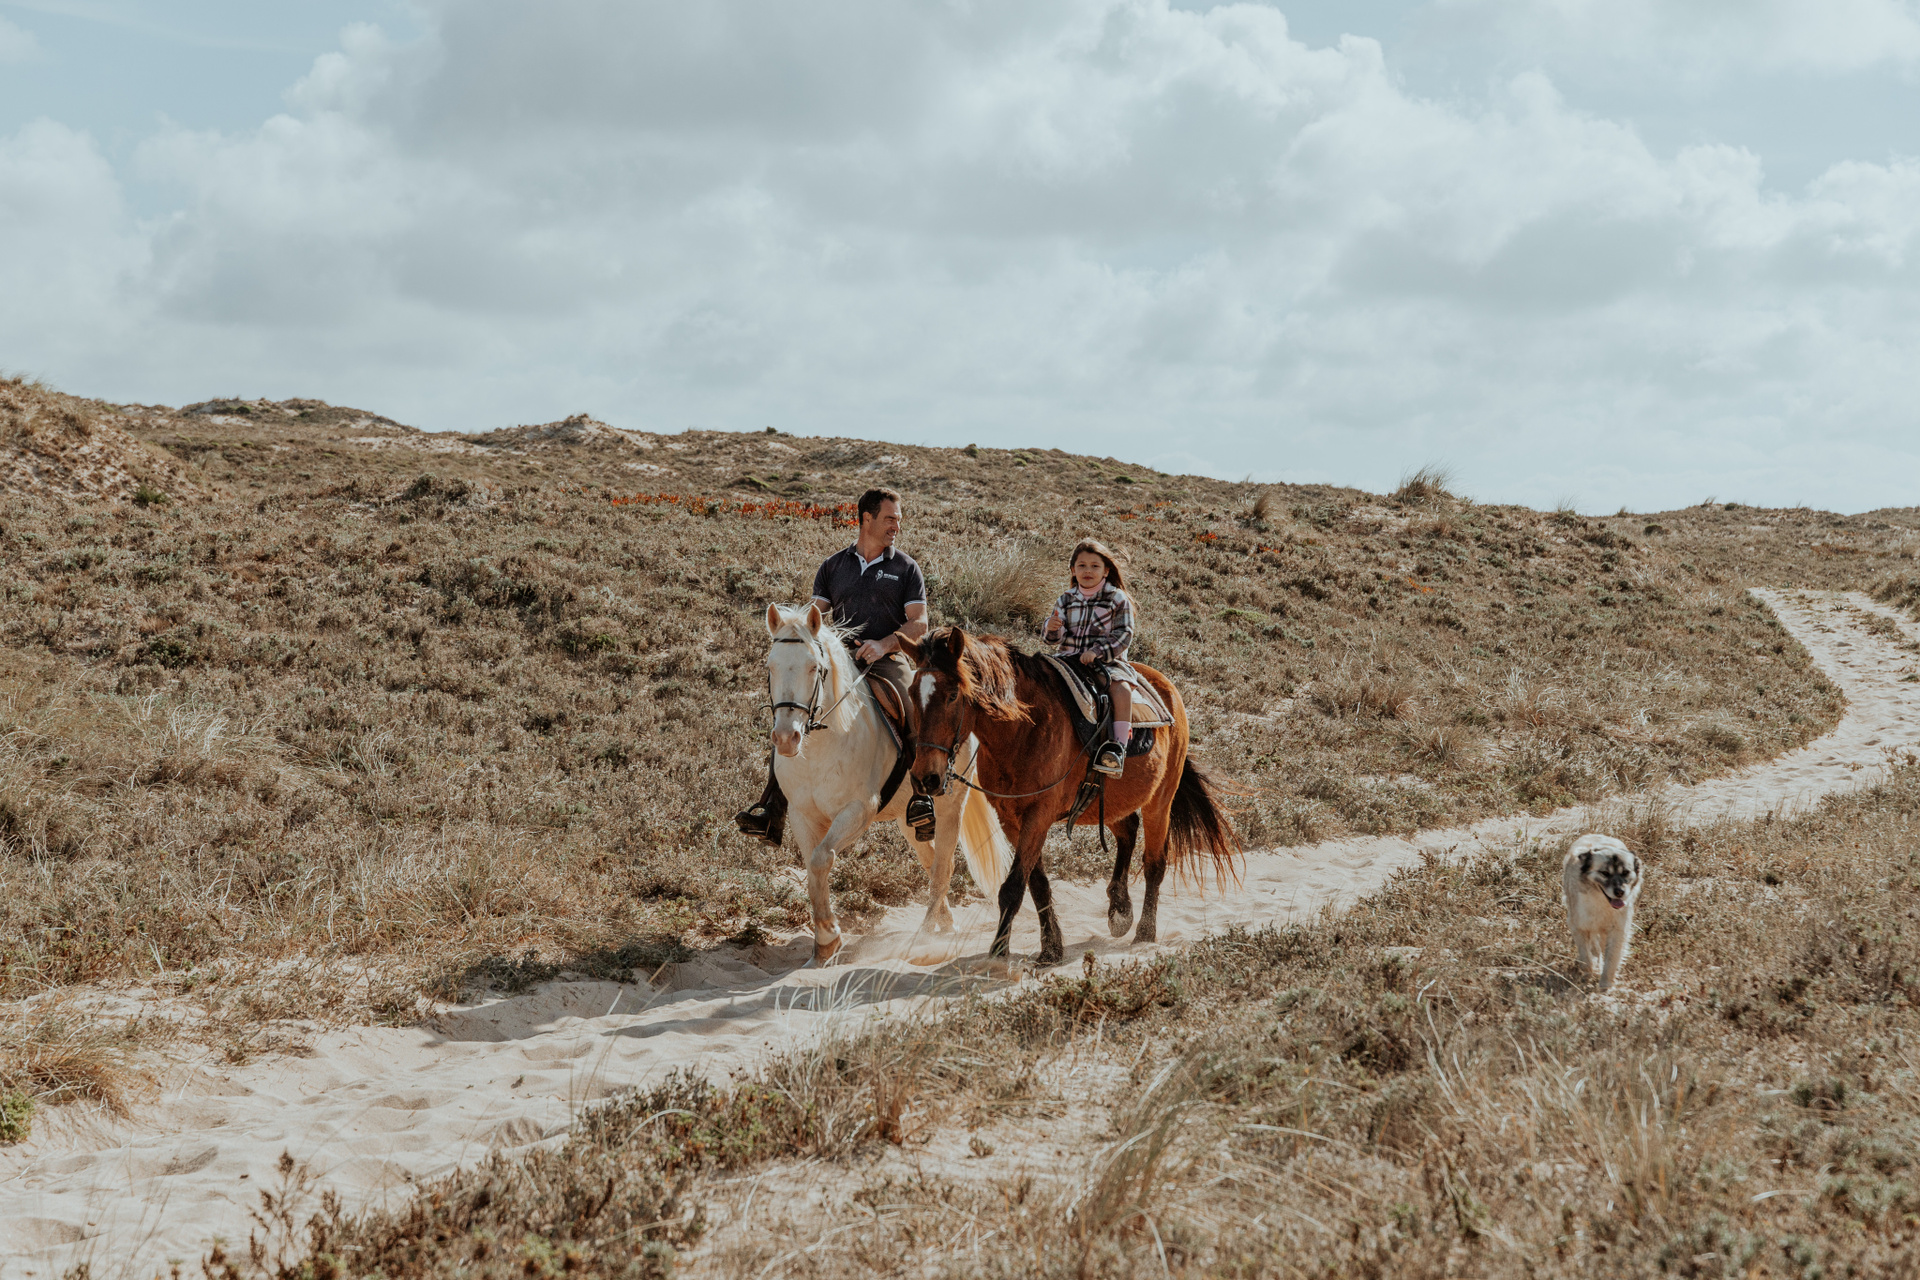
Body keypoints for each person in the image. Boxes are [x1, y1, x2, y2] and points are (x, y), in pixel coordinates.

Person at [736, 487, 936, 845]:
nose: (896, 526)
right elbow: (814, 618)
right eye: (889, 519)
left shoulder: (906, 568)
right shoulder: (833, 566)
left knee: (912, 706)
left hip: (888, 660)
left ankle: (920, 799)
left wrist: (883, 644)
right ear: (866, 519)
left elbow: (919, 623)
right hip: (839, 663)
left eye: (898, 520)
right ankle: (771, 808)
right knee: (792, 715)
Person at [1042, 539, 1139, 777]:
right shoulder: (1065, 599)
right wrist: (1052, 629)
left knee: (1121, 689)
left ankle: (1117, 748)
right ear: (1073, 570)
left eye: (1095, 566)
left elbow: (1124, 634)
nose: (1088, 571)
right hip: (1067, 659)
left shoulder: (1117, 598)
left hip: (1106, 662)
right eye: (1082, 565)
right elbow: (1053, 639)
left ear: (1106, 571)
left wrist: (1097, 652)